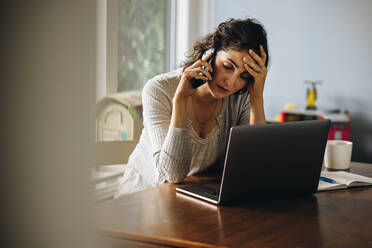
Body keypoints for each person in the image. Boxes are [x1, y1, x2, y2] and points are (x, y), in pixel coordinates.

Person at [115, 17, 269, 197]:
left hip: (185, 198)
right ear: (210, 54)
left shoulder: (240, 98)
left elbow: (254, 168)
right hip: (140, 199)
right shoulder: (159, 90)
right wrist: (180, 100)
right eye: (228, 66)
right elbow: (173, 174)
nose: (232, 82)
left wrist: (257, 96)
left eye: (244, 76)